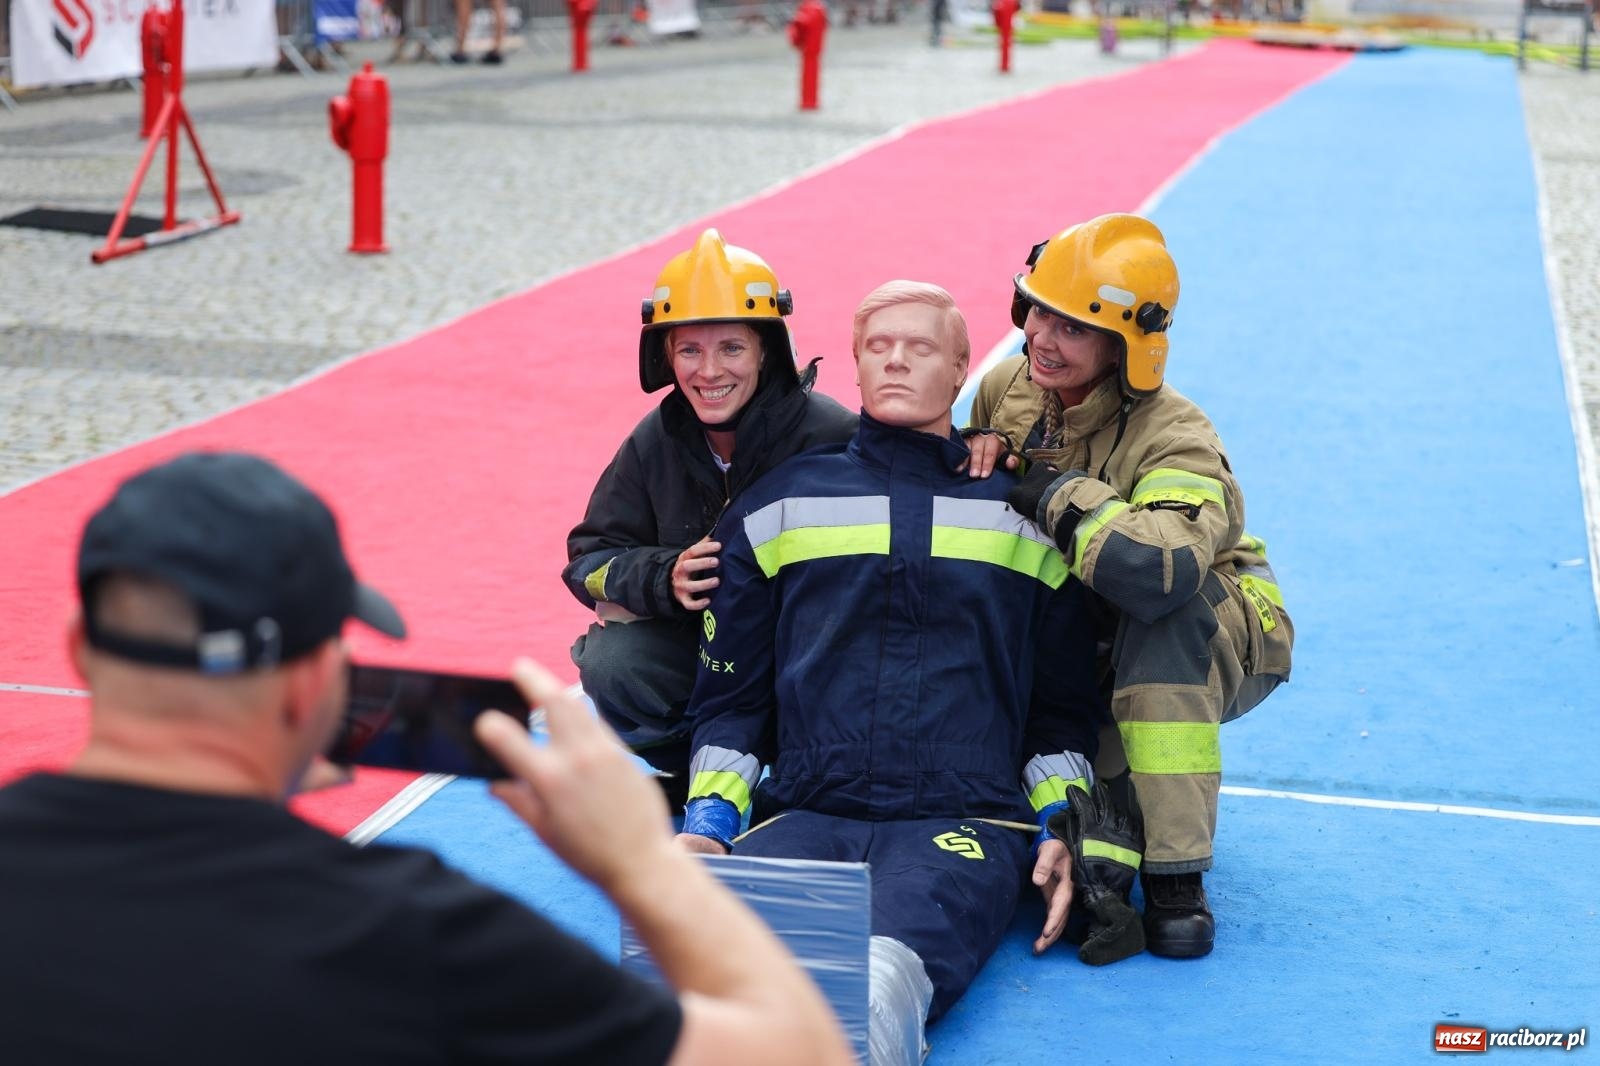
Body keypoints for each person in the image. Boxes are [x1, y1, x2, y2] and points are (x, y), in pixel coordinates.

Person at [0, 451, 852, 1066]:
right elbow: (800, 1051)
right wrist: (638, 865)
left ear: (79, 650)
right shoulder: (413, 936)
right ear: (313, 688)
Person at [674, 282, 1108, 1063]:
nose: (898, 361)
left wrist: (1061, 823)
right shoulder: (780, 506)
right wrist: (709, 822)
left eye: (921, 347)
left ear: (963, 369)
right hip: (804, 811)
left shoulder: (1027, 517)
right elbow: (729, 700)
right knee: (722, 993)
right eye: (879, 347)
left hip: (965, 824)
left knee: (876, 992)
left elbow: (1059, 712)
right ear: (857, 367)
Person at [966, 213, 1296, 958]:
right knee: (1084, 821)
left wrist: (1058, 493)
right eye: (1038, 312)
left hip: (1210, 625)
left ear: (1126, 347)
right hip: (1088, 629)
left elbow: (1161, 573)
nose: (1044, 339)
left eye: (1074, 328)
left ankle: (1179, 877)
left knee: (1167, 619)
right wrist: (969, 450)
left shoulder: (1176, 432)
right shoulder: (1005, 390)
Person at [563, 229, 857, 802]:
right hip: (713, 657)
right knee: (613, 662)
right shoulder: (657, 440)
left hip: (819, 663)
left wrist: (979, 446)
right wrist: (663, 576)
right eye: (689, 350)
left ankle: (813, 773)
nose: (708, 371)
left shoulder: (833, 436)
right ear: (665, 357)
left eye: (731, 348)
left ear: (768, 350)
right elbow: (589, 561)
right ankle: (705, 769)